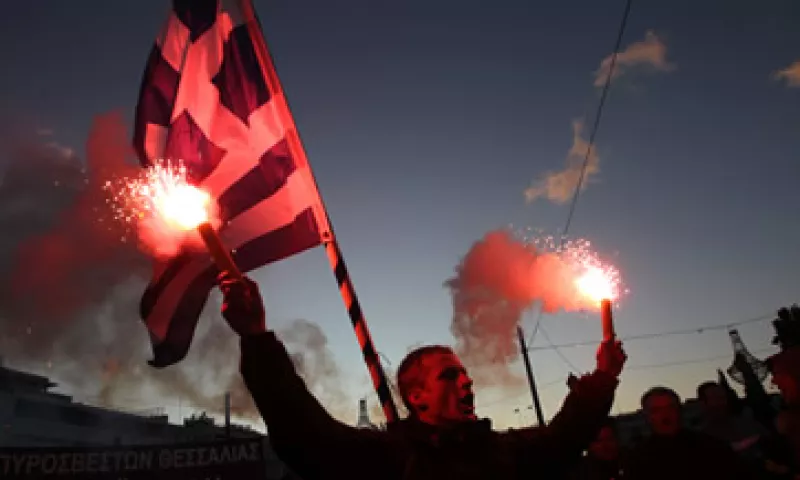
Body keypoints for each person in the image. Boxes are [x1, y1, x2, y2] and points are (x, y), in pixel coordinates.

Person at [219, 273, 627, 480]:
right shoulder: (389, 459)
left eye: (465, 375)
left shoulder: (505, 453)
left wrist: (603, 378)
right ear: (417, 397)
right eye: (451, 376)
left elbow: (563, 439)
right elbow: (306, 436)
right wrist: (257, 339)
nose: (467, 383)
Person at [623, 386, 754, 480]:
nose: (665, 415)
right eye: (656, 410)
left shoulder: (710, 446)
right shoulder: (637, 458)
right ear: (646, 415)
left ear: (679, 410)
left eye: (670, 407)